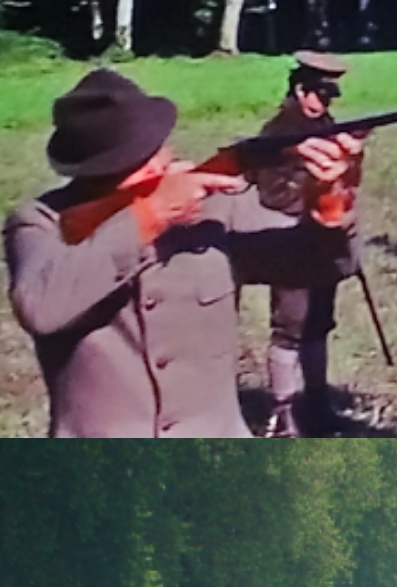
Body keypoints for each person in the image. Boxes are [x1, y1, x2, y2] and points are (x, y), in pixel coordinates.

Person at [4, 69, 360, 438]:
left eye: (156, 147)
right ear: (91, 175)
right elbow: (40, 307)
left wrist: (327, 204)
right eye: (138, 159)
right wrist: (150, 215)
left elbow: (318, 265)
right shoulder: (41, 222)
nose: (161, 163)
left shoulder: (214, 209)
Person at [252, 50, 358, 436]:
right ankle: (283, 412)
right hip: (289, 239)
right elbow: (271, 193)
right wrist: (313, 199)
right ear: (299, 89)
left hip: (322, 241)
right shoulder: (279, 132)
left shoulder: (326, 126)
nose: (322, 102)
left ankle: (316, 403)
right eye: (317, 93)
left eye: (328, 96)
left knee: (318, 323)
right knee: (290, 327)